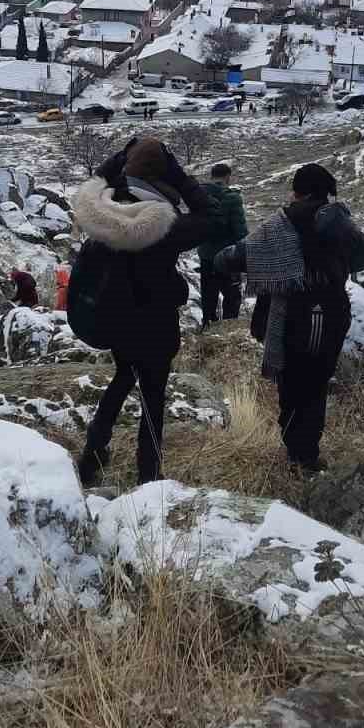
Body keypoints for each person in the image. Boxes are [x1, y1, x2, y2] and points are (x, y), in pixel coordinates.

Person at [71, 135, 217, 486]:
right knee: (153, 397)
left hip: (117, 321)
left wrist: (118, 158)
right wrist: (179, 173)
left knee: (123, 378)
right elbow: (212, 214)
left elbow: (92, 186)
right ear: (163, 175)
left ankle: (93, 454)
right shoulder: (164, 226)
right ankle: (148, 474)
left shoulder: (101, 217)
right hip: (156, 325)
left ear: (128, 170)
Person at [215, 163, 364, 473]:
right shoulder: (339, 221)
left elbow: (228, 259)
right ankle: (308, 455)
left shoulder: (278, 226)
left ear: (297, 191)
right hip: (333, 313)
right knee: (316, 384)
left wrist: (268, 266)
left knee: (290, 383)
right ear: (326, 192)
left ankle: (295, 452)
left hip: (290, 316)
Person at [198, 161, 247, 327]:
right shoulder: (233, 198)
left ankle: (207, 328)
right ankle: (228, 330)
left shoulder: (199, 196)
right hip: (228, 257)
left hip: (206, 256)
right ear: (227, 177)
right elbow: (240, 230)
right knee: (232, 297)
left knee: (208, 296)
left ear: (212, 176)